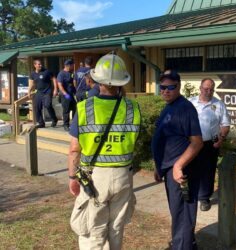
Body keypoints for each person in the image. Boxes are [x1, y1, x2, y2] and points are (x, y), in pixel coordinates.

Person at [67, 53, 140, 250]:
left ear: (97, 79)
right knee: (116, 228)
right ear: (121, 81)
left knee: (94, 230)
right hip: (124, 175)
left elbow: (75, 149)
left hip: (95, 178)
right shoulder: (133, 108)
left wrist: (72, 177)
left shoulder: (84, 108)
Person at [152, 69, 203, 250]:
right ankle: (187, 244)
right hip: (170, 169)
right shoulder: (170, 106)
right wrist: (159, 167)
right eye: (162, 87)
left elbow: (197, 143)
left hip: (182, 172)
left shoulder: (185, 108)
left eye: (170, 87)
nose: (165, 90)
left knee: (182, 214)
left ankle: (182, 246)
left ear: (179, 86)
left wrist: (178, 166)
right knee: (178, 212)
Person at [189, 78, 230, 211]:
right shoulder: (190, 102)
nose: (208, 91)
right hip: (191, 142)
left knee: (208, 171)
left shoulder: (219, 104)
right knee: (191, 168)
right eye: (206, 88)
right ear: (200, 88)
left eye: (211, 89)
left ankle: (204, 198)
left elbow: (225, 124)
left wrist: (222, 138)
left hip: (210, 144)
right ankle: (191, 192)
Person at [28, 59, 58, 128]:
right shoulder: (33, 74)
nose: (40, 65)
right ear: (35, 65)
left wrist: (55, 89)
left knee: (47, 105)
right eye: (39, 64)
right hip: (39, 92)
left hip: (47, 91)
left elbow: (53, 79)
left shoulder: (46, 71)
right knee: (36, 107)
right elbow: (32, 84)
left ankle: (54, 119)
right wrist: (29, 91)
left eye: (41, 64)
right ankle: (41, 123)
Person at [57, 59, 76, 131]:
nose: (73, 67)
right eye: (72, 65)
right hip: (65, 96)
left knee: (75, 109)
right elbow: (60, 85)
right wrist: (65, 94)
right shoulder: (61, 74)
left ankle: (74, 123)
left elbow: (72, 84)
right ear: (68, 66)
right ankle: (66, 125)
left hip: (71, 94)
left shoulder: (71, 73)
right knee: (66, 110)